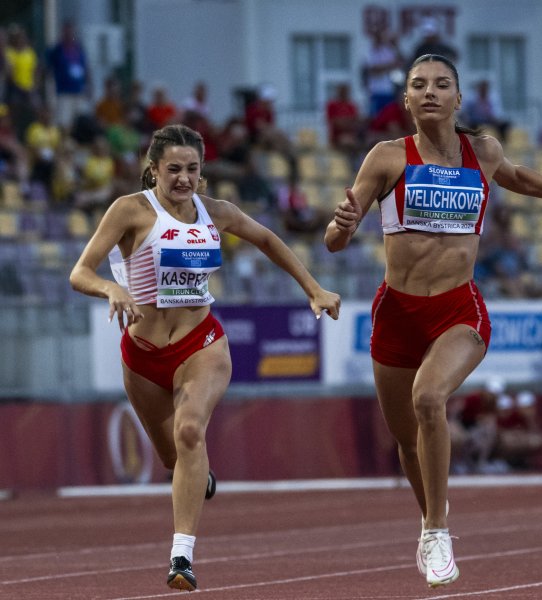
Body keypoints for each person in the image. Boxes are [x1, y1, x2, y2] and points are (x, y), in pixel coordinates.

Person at [324, 53, 542, 587]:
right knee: (406, 437)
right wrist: (342, 227)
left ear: (459, 99)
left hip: (458, 309)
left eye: (443, 84)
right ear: (407, 100)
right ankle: (426, 522)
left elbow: (517, 177)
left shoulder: (480, 151)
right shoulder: (387, 158)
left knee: (429, 398)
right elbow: (335, 238)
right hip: (396, 312)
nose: (431, 92)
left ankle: (438, 532)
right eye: (420, 85)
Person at [68, 124, 341, 591]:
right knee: (174, 458)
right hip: (142, 355)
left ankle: (182, 556)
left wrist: (313, 289)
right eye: (173, 169)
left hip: (202, 344)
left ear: (202, 172)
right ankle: (197, 475)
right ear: (153, 169)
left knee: (191, 428)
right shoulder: (130, 211)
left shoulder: (216, 212)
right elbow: (80, 272)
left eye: (192, 169)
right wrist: (110, 287)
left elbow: (270, 241)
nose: (183, 179)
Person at [46, 20, 91, 130]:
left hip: (79, 91)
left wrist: (89, 86)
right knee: (64, 121)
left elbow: (86, 68)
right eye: (66, 32)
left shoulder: (79, 49)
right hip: (64, 91)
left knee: (81, 121)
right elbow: (48, 68)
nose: (69, 35)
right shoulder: (57, 50)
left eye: (71, 32)